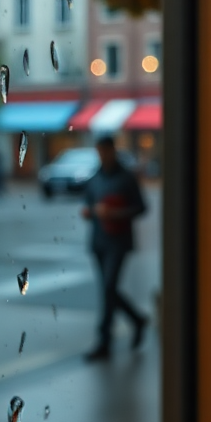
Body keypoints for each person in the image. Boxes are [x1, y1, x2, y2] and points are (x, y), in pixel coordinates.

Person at [81, 135, 148, 360]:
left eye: (104, 151)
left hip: (118, 241)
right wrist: (90, 212)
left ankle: (105, 340)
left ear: (112, 151)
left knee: (110, 288)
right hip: (99, 240)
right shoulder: (95, 177)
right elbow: (89, 203)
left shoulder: (126, 178)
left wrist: (115, 213)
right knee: (107, 291)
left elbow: (141, 207)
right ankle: (136, 320)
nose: (101, 156)